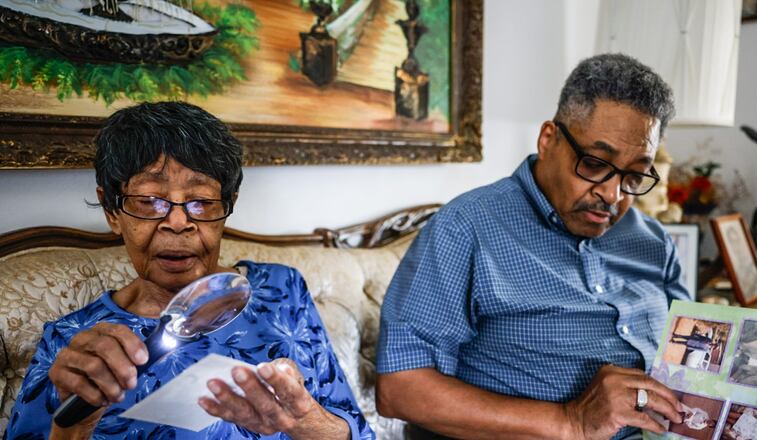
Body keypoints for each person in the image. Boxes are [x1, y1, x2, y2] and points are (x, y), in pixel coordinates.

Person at [4, 102, 373, 440]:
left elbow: (357, 433)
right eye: (149, 201)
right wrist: (75, 424)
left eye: (201, 201)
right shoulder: (72, 341)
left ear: (227, 206)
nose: (178, 222)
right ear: (112, 211)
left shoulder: (281, 289)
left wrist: (303, 421)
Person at [376, 53, 690, 440]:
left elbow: (691, 365)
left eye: (635, 176)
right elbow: (400, 389)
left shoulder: (653, 241)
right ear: (548, 140)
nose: (612, 195)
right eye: (595, 164)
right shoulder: (465, 229)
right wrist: (571, 421)